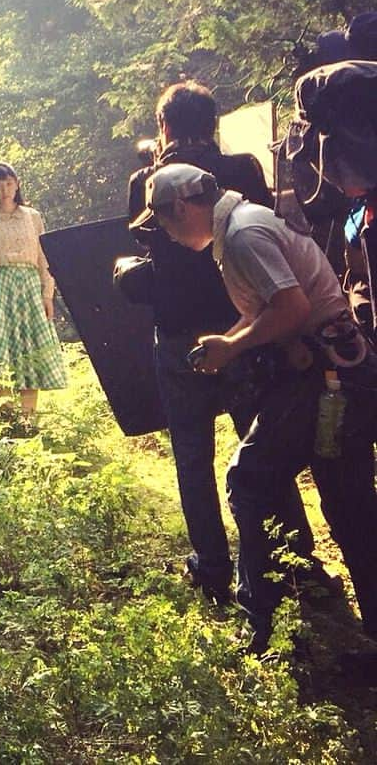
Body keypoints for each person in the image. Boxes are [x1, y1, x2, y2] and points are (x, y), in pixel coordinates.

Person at [136, 163, 377, 660]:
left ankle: (266, 625)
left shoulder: (243, 234)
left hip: (330, 373)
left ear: (180, 207)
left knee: (250, 480)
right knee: (350, 506)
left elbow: (289, 307)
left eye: (161, 221)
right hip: (331, 369)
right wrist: (233, 338)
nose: (166, 234)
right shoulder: (241, 226)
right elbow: (271, 307)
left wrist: (232, 346)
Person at [127, 81, 324, 604]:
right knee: (264, 449)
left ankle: (212, 566)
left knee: (193, 458)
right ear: (212, 123)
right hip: (250, 328)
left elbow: (153, 259)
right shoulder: (242, 172)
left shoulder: (145, 183)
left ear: (164, 125)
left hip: (180, 337)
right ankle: (294, 557)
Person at [0, 162, 65, 425]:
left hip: (30, 286)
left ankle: (28, 422)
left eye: (9, 184)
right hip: (0, 285)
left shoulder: (32, 217)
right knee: (3, 353)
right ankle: (7, 422)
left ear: (17, 184)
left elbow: (44, 257)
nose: (4, 191)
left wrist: (48, 294)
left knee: (30, 353)